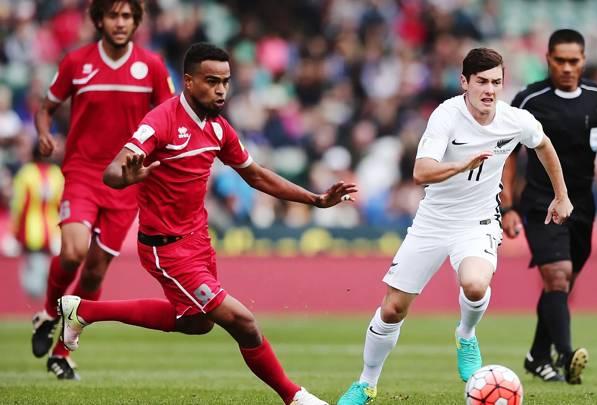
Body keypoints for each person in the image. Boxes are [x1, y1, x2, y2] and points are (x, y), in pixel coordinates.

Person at [57, 42, 356, 405]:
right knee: (243, 321)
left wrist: (315, 199)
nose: (220, 90)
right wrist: (128, 175)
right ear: (188, 81)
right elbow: (111, 172)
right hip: (165, 248)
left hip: (197, 240)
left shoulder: (218, 129)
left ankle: (84, 310)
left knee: (198, 323)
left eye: (226, 82)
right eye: (211, 81)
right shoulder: (160, 122)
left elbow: (256, 175)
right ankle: (295, 397)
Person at [336, 48, 573, 405]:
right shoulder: (446, 115)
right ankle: (366, 384)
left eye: (496, 82)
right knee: (392, 308)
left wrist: (562, 195)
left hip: (477, 221)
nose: (489, 90)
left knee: (475, 284)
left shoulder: (515, 119)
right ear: (464, 83)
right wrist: (462, 164)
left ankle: (466, 334)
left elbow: (543, 145)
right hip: (432, 221)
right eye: (481, 82)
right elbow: (421, 172)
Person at [31, 0, 174, 380]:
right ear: (99, 19)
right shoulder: (77, 62)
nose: (120, 22)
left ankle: (62, 353)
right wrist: (45, 134)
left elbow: (171, 117)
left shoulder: (153, 66)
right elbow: (45, 107)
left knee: (94, 273)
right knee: (74, 252)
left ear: (137, 21)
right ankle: (48, 311)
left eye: (127, 16)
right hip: (82, 172)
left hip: (126, 180)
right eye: (113, 15)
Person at [502, 29, 597, 384]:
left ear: (584, 60)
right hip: (541, 202)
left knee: (562, 282)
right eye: (560, 60)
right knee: (557, 275)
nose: (568, 67)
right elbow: (509, 157)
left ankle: (537, 356)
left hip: (584, 204)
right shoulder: (529, 101)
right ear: (547, 59)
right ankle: (567, 354)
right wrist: (508, 206)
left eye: (574, 61)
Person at [11, 144, 64, 300]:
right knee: (46, 266)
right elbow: (61, 203)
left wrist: (14, 230)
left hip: (30, 228)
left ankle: (34, 302)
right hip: (52, 227)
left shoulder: (26, 173)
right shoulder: (56, 174)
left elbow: (19, 204)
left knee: (32, 267)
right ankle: (46, 298)